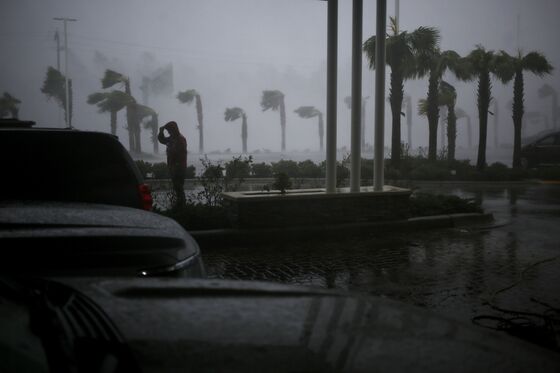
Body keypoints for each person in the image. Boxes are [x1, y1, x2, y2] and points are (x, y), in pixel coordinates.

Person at [158, 121, 187, 207]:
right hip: (173, 167)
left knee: (179, 187)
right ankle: (180, 204)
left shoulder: (181, 139)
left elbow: (180, 154)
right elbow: (162, 140)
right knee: (176, 187)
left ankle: (181, 205)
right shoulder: (171, 138)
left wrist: (176, 166)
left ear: (173, 129)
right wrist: (161, 132)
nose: (169, 132)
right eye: (168, 131)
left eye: (169, 130)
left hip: (179, 167)